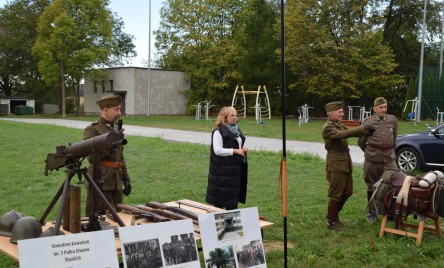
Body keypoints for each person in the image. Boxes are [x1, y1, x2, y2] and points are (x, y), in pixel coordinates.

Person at [322, 101, 374, 230]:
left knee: (348, 192)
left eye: (342, 111)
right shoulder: (328, 127)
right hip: (336, 165)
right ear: (331, 113)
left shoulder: (338, 124)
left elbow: (350, 131)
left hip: (345, 163)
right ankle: (331, 220)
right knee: (336, 193)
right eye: (339, 112)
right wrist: (363, 127)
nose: (342, 113)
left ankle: (334, 215)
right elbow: (343, 135)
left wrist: (367, 132)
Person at [83, 94, 131, 215]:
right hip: (100, 181)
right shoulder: (92, 130)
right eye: (116, 109)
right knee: (97, 217)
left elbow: (120, 157)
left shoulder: (116, 129)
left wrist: (126, 179)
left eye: (120, 109)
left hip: (116, 181)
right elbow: (92, 158)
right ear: (105, 110)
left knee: (118, 218)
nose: (119, 113)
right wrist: (112, 144)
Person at [358, 97, 398, 223]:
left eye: (385, 107)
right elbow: (361, 142)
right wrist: (370, 153)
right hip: (372, 158)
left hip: (389, 158)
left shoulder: (392, 120)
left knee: (394, 184)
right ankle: (373, 211)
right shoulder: (367, 122)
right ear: (374, 109)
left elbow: (395, 138)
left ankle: (391, 212)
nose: (383, 109)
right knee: (372, 185)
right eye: (381, 107)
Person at [206, 106, 248, 210]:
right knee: (219, 205)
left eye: (236, 115)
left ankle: (230, 225)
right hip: (221, 173)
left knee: (232, 202)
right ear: (225, 118)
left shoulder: (236, 131)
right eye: (232, 115)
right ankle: (218, 225)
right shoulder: (218, 132)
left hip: (234, 171)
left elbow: (236, 143)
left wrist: (241, 148)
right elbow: (218, 150)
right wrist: (235, 151)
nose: (235, 118)